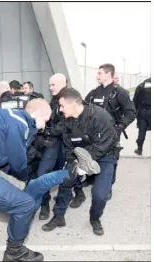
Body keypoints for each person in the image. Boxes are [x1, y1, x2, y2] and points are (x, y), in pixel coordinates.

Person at [0, 98, 97, 261]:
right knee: (25, 205)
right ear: (39, 113)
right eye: (46, 120)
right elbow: (18, 163)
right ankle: (14, 252)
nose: (44, 126)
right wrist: (23, 176)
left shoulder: (10, 116)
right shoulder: (20, 123)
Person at [42, 88, 119, 236]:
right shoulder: (67, 121)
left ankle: (95, 219)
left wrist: (84, 164)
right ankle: (58, 217)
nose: (60, 109)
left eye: (63, 106)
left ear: (74, 103)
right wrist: (73, 164)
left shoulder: (100, 116)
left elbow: (103, 145)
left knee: (100, 195)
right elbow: (69, 146)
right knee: (65, 181)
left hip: (104, 157)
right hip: (79, 156)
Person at [75, 63, 136, 203]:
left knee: (110, 159)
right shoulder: (95, 92)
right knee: (91, 154)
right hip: (94, 132)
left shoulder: (119, 92)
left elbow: (131, 112)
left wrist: (120, 126)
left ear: (108, 74)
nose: (97, 76)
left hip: (112, 133)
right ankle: (91, 178)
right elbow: (83, 106)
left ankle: (108, 186)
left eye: (100, 73)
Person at [36, 74, 68, 220]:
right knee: (42, 173)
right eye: (50, 85)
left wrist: (45, 130)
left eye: (53, 84)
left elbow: (64, 125)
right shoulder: (54, 100)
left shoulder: (69, 99)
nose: (50, 88)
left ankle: (74, 195)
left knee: (67, 174)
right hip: (54, 142)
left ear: (63, 83)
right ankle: (44, 205)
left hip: (67, 143)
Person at [133, 78, 151, 155]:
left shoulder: (141, 85)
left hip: (143, 112)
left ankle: (139, 149)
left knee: (142, 132)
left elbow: (135, 100)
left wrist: (135, 112)